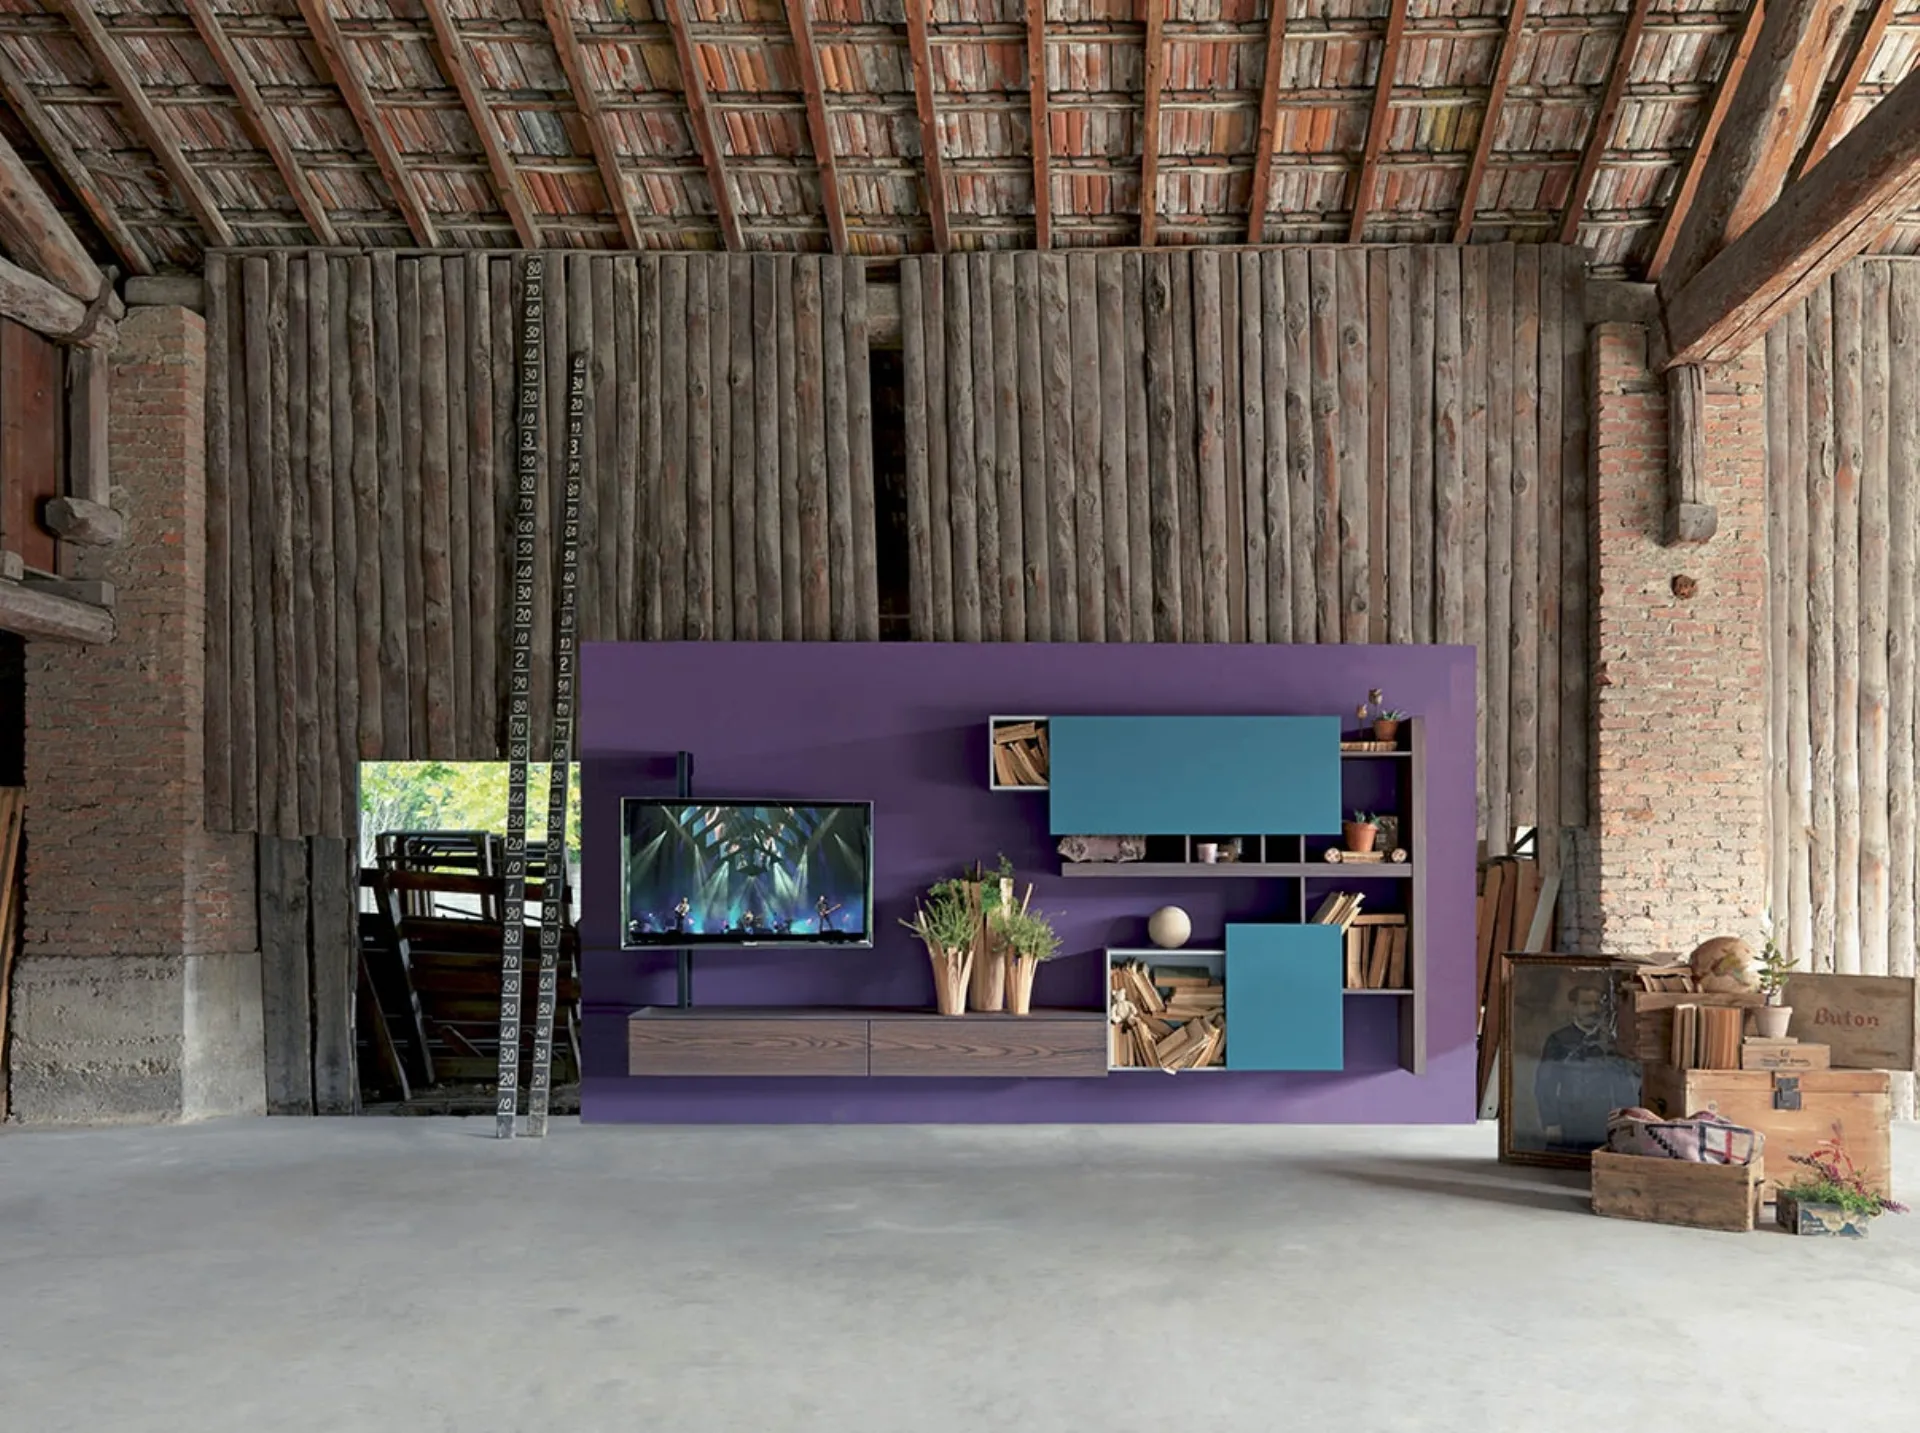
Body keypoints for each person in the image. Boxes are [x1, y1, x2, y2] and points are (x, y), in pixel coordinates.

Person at [1533, 981, 1640, 1151]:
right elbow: (1545, 1085)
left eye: (1597, 1003)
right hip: (1569, 1121)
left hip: (1602, 1121)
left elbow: (1624, 1085)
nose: (1593, 1009)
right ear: (1574, 1007)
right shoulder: (1558, 1040)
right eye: (1586, 1004)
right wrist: (1551, 1122)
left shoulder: (1612, 1042)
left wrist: (1628, 1120)